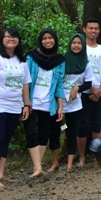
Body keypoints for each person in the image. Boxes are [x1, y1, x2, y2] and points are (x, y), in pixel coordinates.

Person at [0, 28, 31, 189]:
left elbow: (25, 84)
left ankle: (1, 174)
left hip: (14, 107)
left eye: (14, 36)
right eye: (7, 37)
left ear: (18, 40)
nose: (11, 39)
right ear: (2, 39)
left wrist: (27, 104)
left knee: (5, 141)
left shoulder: (21, 61)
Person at [24, 28, 65, 176]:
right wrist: (27, 102)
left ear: (55, 40)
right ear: (40, 41)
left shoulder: (60, 61)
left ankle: (37, 168)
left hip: (49, 104)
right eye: (44, 38)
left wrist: (60, 106)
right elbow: (25, 82)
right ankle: (37, 167)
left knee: (43, 134)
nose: (48, 41)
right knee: (31, 133)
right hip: (31, 102)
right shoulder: (31, 57)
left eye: (50, 38)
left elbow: (60, 84)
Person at [77, 18, 101, 167]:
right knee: (82, 125)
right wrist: (91, 88)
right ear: (84, 29)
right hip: (84, 93)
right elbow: (77, 70)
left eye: (96, 28)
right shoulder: (80, 48)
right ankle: (82, 157)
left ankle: (97, 157)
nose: (93, 31)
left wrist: (99, 90)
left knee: (99, 125)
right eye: (90, 28)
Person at [61, 34, 93, 171]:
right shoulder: (62, 60)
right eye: (73, 42)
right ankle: (54, 162)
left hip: (75, 104)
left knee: (72, 131)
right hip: (59, 102)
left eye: (79, 43)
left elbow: (88, 83)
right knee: (57, 130)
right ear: (70, 44)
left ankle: (69, 164)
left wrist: (77, 88)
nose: (76, 45)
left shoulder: (86, 62)